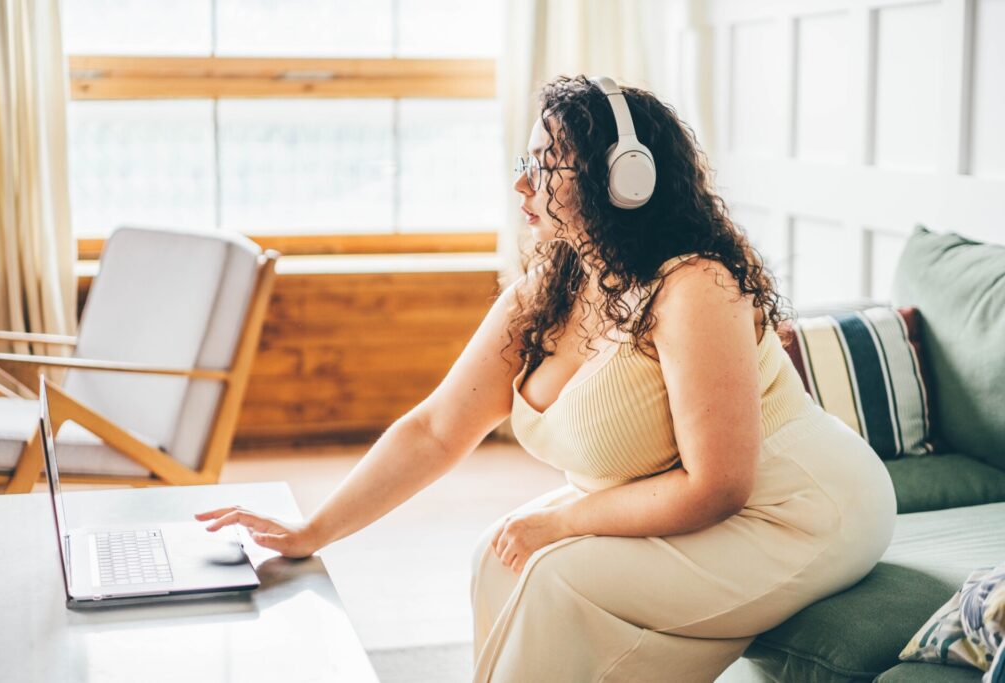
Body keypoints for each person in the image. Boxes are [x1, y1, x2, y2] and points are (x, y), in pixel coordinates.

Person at [196, 75, 897, 682]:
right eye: (523, 160)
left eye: (546, 164)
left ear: (625, 177)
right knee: (496, 555)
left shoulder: (695, 286)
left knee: (555, 573)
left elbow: (720, 486)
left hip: (803, 508)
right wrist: (311, 530)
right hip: (699, 498)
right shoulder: (549, 287)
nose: (521, 184)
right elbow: (437, 428)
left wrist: (558, 520)